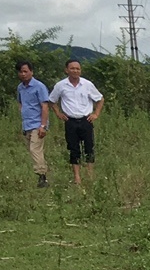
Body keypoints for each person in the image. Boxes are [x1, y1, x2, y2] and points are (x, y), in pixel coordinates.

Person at [50, 59, 105, 188]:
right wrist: (58, 113)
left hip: (86, 120)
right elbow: (52, 101)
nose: (75, 71)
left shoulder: (87, 84)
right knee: (73, 149)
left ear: (80, 70)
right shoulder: (60, 86)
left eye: (78, 69)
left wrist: (96, 114)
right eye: (72, 68)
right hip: (70, 121)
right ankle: (77, 177)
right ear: (66, 70)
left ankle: (90, 175)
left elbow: (100, 99)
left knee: (89, 148)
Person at [14, 61, 51, 187]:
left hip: (37, 124)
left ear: (31, 71)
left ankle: (42, 176)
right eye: (20, 72)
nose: (23, 74)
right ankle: (42, 174)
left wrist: (43, 126)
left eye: (25, 71)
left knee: (34, 149)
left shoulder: (39, 86)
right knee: (34, 151)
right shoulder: (20, 87)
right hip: (27, 124)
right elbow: (20, 102)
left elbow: (45, 106)